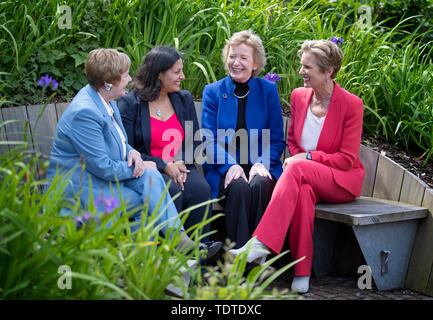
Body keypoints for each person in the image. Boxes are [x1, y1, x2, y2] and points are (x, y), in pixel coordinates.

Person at [45, 48, 221, 258]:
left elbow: (123, 143)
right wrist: (145, 164)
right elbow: (102, 166)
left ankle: (173, 246)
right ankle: (146, 259)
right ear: (109, 82)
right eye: (125, 75)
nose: (130, 79)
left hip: (104, 179)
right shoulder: (85, 112)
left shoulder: (106, 102)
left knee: (153, 178)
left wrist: (134, 155)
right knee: (148, 194)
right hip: (82, 188)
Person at [230, 39, 365, 293]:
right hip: (305, 177)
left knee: (295, 168)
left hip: (340, 181)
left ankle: (260, 243)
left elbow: (347, 158)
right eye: (301, 65)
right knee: (302, 193)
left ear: (328, 72)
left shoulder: (351, 104)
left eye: (308, 67)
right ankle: (301, 273)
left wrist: (309, 159)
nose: (301, 71)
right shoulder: (299, 96)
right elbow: (292, 140)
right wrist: (301, 161)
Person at [117, 46, 213, 240]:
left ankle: (199, 258)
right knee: (172, 191)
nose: (183, 76)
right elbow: (127, 149)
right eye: (177, 72)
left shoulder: (183, 99)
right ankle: (167, 262)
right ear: (159, 74)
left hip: (182, 165)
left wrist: (180, 161)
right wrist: (164, 165)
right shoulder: (131, 104)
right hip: (150, 170)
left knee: (201, 190)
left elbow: (195, 140)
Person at [201, 30, 285, 249]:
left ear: (256, 63)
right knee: (237, 186)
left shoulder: (268, 90)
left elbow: (276, 139)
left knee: (260, 185)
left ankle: (258, 254)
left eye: (243, 58)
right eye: (232, 56)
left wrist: (261, 163)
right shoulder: (213, 92)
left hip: (261, 165)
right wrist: (230, 165)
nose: (235, 62)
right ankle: (238, 255)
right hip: (222, 167)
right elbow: (208, 140)